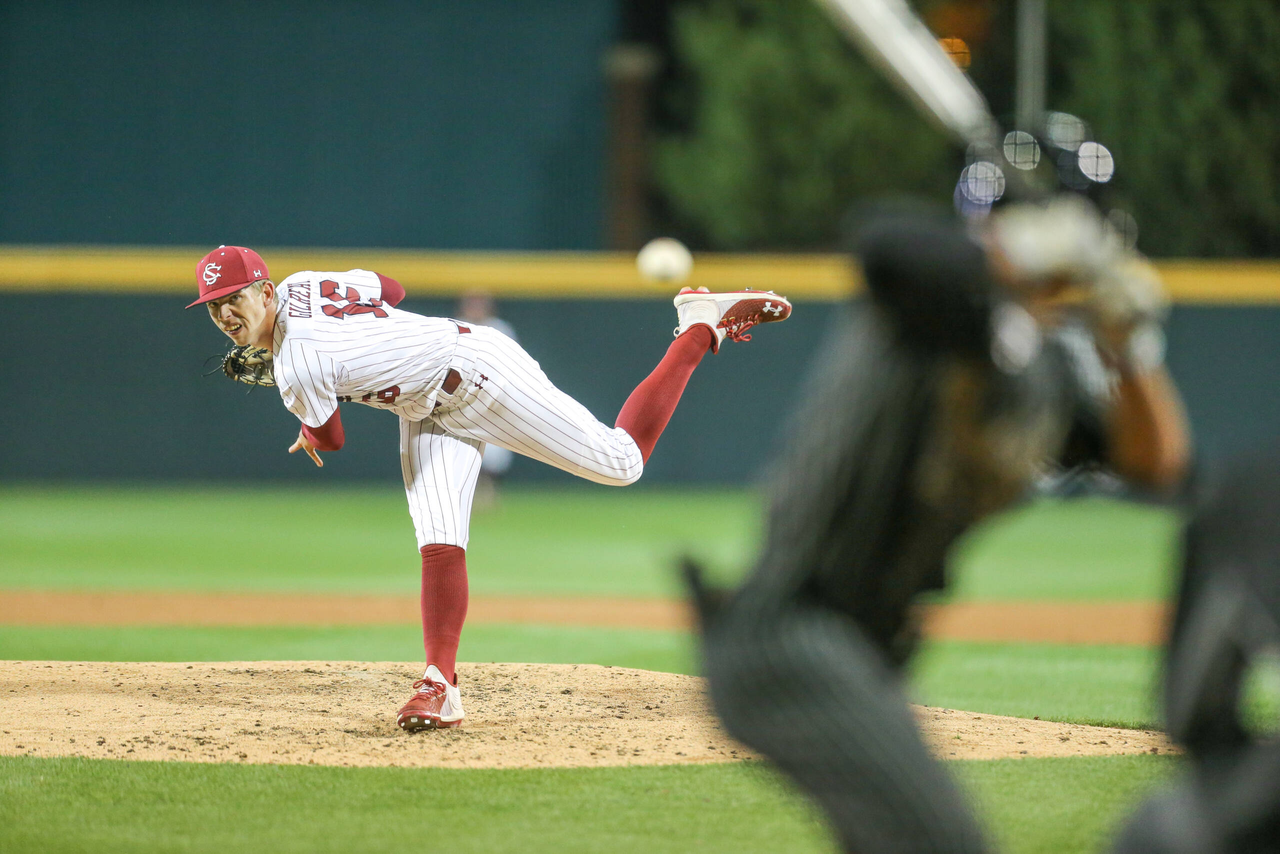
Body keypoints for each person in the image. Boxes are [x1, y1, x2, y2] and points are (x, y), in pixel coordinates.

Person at [689, 197, 1191, 853]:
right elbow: (881, 240)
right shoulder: (933, 306)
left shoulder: (1046, 375)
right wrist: (1022, 250)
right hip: (789, 630)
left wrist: (1131, 344)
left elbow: (1155, 465)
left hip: (868, 650)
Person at [188, 244, 791, 732]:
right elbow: (389, 290)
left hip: (481, 376)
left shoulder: (296, 366)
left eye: (233, 299)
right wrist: (370, 341)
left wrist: (311, 423)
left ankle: (696, 326)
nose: (225, 316)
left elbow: (331, 436)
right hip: (426, 401)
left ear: (264, 292)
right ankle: (439, 684)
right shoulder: (303, 284)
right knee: (439, 540)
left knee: (621, 461)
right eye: (214, 308)